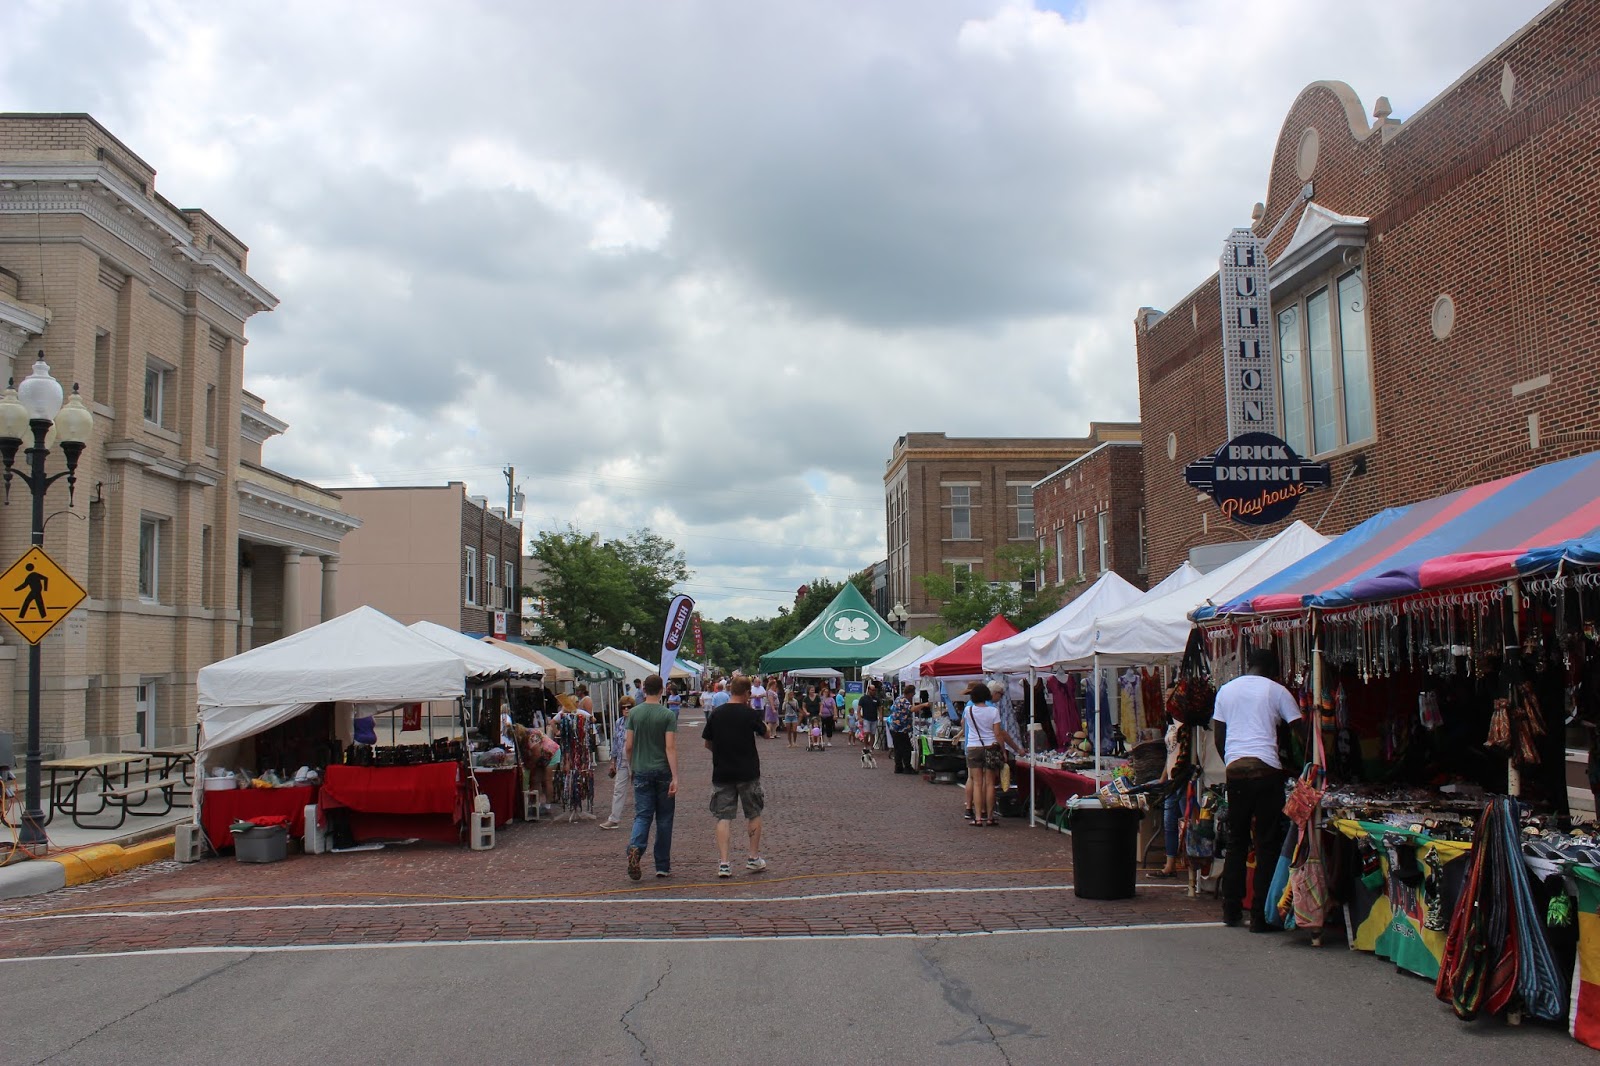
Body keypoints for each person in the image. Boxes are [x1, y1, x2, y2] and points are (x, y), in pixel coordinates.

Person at [1212, 647, 1304, 930]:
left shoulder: (1226, 691)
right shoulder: (1277, 691)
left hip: (1236, 770)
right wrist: (1303, 765)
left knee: (1237, 841)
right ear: (1273, 669)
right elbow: (1299, 729)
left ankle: (1231, 909)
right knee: (1267, 842)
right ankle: (1260, 916)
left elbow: (1219, 736)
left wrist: (1231, 760)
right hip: (1267, 770)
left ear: (1249, 665)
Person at [703, 676, 770, 878]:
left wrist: (720, 752)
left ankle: (724, 863)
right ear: (747, 693)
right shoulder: (749, 713)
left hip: (722, 771)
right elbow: (766, 733)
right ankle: (753, 858)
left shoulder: (716, 713)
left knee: (723, 816)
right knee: (753, 812)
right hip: (747, 771)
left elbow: (707, 742)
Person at [625, 675, 679, 880]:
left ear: (644, 689)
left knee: (643, 815)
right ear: (662, 690)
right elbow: (670, 747)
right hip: (662, 770)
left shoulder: (634, 714)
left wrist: (632, 766)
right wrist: (675, 776)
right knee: (664, 819)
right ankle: (662, 865)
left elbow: (628, 746)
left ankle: (635, 848)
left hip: (641, 769)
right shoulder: (667, 715)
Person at [963, 682, 1022, 827]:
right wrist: (1003, 749)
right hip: (990, 747)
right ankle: (989, 817)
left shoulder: (968, 710)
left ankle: (977, 817)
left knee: (977, 783)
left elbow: (963, 725)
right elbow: (998, 733)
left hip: (973, 747)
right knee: (989, 783)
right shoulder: (993, 711)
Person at [1152, 709, 1194, 877]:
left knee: (1186, 822)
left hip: (1182, 779)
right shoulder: (1170, 725)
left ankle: (1190, 864)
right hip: (1171, 780)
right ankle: (1170, 864)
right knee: (1169, 822)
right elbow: (1170, 754)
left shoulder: (1188, 726)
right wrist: (1163, 778)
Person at [599, 697, 634, 830]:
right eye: (623, 707)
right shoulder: (619, 722)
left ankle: (644, 818)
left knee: (639, 789)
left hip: (635, 760)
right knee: (618, 790)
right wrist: (612, 761)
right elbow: (615, 742)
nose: (626, 709)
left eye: (629, 707)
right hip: (621, 760)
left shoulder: (636, 722)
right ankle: (614, 819)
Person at [888, 684, 915, 774]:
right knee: (906, 748)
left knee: (898, 748)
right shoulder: (904, 700)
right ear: (910, 693)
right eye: (913, 694)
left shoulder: (898, 698)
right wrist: (924, 704)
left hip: (894, 728)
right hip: (901, 729)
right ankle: (907, 767)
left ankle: (898, 767)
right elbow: (912, 709)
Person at [858, 682, 883, 750]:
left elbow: (880, 708)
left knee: (873, 734)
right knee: (866, 733)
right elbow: (859, 708)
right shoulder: (863, 698)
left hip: (874, 718)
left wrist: (880, 715)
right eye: (872, 690)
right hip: (866, 718)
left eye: (874, 690)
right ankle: (865, 746)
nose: (873, 691)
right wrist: (859, 717)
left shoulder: (876, 699)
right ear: (869, 690)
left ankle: (871, 747)